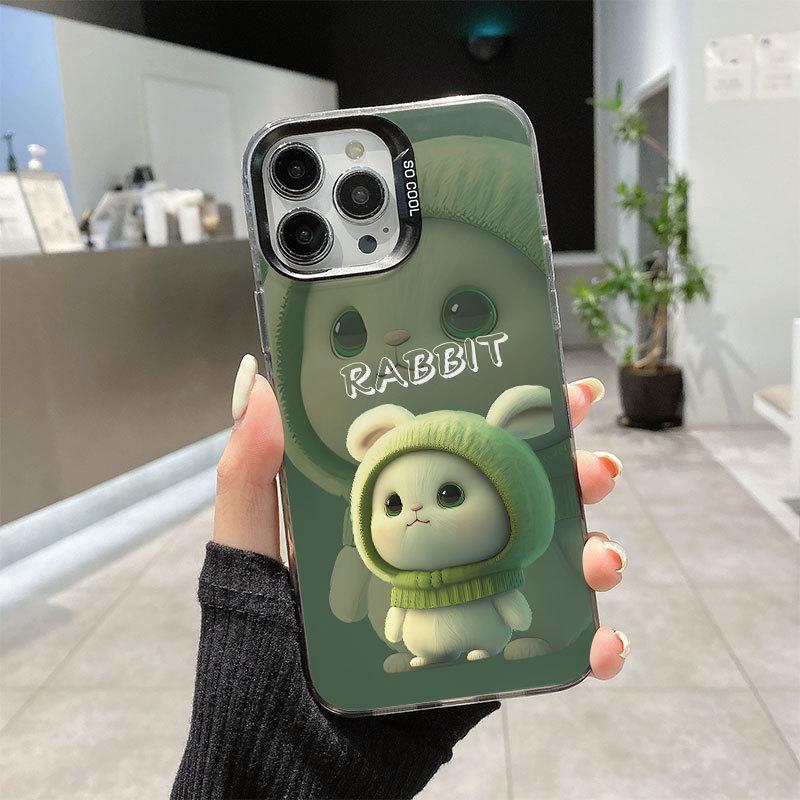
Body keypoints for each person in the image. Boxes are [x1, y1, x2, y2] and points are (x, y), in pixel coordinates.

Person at [171, 359, 629, 800]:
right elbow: (398, 618)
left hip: (486, 643)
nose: (413, 511)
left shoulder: (498, 571)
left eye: (449, 494)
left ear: (518, 512)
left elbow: (515, 611)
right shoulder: (393, 583)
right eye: (391, 504)